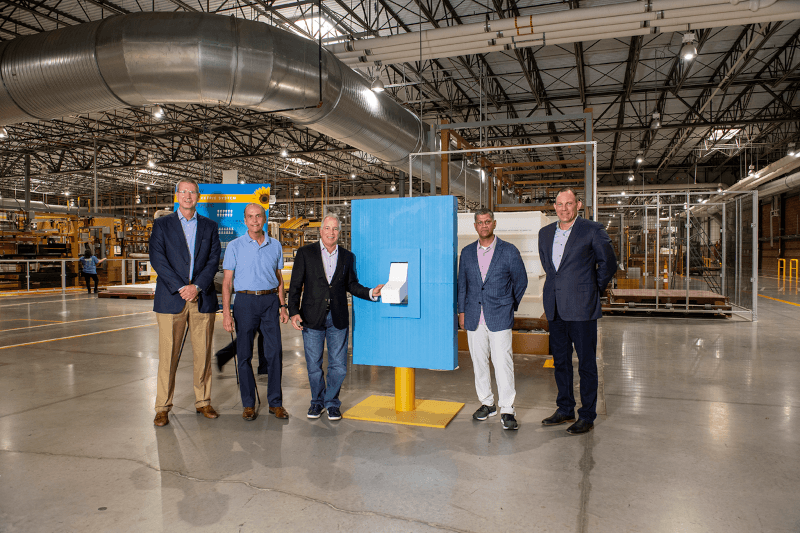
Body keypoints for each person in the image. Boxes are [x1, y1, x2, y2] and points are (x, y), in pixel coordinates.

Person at [288, 213, 383, 421]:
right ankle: (316, 402)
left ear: (339, 233)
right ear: (320, 231)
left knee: (338, 366)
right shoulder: (306, 253)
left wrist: (370, 293)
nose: (331, 232)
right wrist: (293, 311)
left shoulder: (348, 257)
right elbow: (295, 285)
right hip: (311, 317)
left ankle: (331, 402)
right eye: (327, 228)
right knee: (314, 365)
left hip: (338, 317)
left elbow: (351, 284)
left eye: (335, 229)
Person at [538, 187, 616, 435]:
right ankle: (565, 409)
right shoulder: (545, 233)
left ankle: (587, 415)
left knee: (585, 364)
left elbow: (609, 263)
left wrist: (593, 288)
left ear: (578, 205)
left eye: (569, 204)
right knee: (560, 361)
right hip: (556, 307)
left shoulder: (592, 230)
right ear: (554, 207)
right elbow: (551, 269)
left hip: (582, 308)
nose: (564, 209)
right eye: (559, 204)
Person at [149, 178, 221, 427]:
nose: (188, 196)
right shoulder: (162, 225)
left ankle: (203, 401)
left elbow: (213, 260)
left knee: (203, 354)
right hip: (172, 298)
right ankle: (162, 406)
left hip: (201, 298)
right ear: (176, 194)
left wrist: (196, 287)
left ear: (198, 196)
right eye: (184, 192)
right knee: (167, 356)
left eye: (192, 192)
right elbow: (157, 258)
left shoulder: (210, 226)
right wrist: (182, 288)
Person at [457, 208, 528, 430]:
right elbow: (462, 286)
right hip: (473, 316)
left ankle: (507, 409)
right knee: (479, 363)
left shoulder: (509, 251)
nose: (484, 225)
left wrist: (509, 305)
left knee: (503, 363)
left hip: (499, 316)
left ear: (494, 224)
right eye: (480, 222)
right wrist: (461, 311)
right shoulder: (467, 252)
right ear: (475, 226)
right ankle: (487, 404)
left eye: (488, 221)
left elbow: (521, 281)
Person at [222, 203, 289, 421]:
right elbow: (227, 282)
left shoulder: (275, 245)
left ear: (264, 218)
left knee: (274, 353)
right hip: (245, 301)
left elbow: (279, 278)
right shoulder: (234, 246)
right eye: (250, 217)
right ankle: (248, 403)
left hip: (270, 301)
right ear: (245, 220)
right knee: (244, 354)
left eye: (258, 216)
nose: (254, 220)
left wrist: (283, 305)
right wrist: (226, 313)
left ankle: (275, 403)